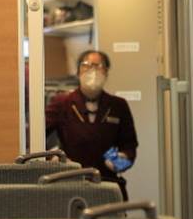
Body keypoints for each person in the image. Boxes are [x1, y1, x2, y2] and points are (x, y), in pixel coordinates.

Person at [45, 49, 138, 199]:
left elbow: (129, 145)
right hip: (70, 182)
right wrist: (53, 158)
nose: (92, 71)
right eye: (86, 65)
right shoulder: (62, 103)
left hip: (108, 183)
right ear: (78, 71)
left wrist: (120, 161)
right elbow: (35, 136)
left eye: (98, 66)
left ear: (106, 72)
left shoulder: (118, 105)